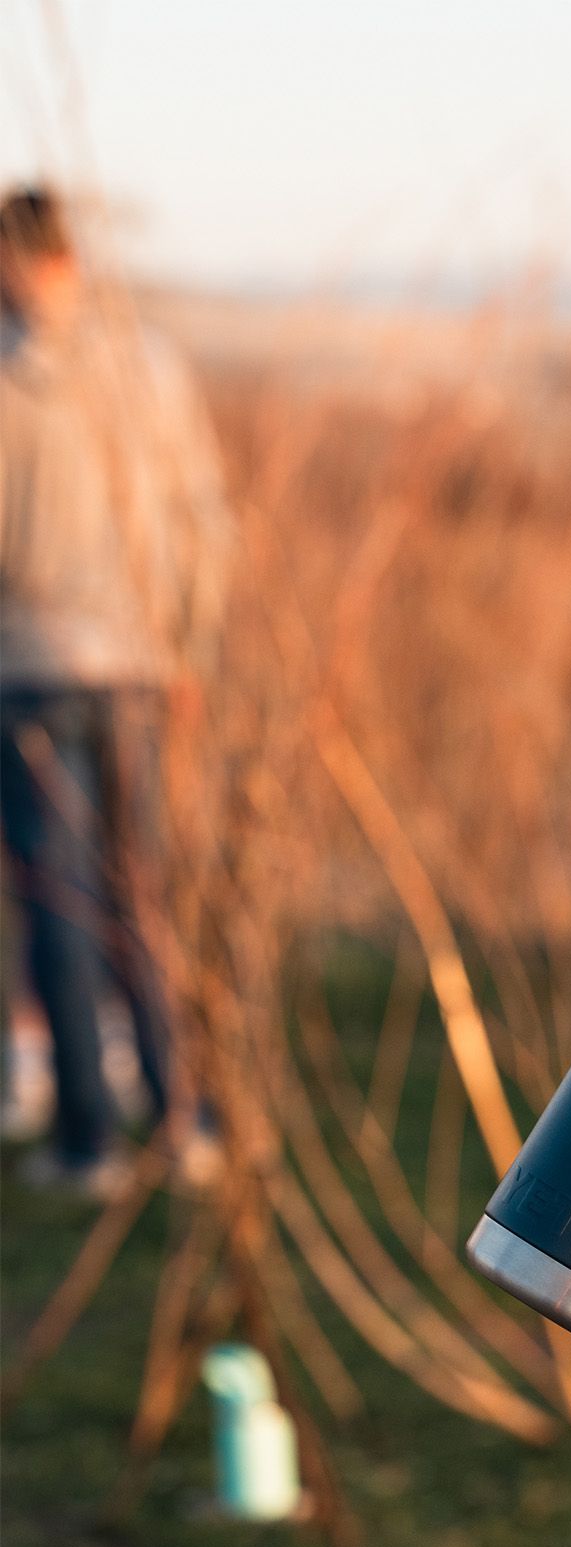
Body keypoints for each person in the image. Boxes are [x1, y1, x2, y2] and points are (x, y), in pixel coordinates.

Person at [0, 184, 229, 1196]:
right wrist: (189, 645)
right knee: (142, 892)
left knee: (57, 896)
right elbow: (198, 517)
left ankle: (88, 1139)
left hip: (33, 669)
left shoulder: (10, 376)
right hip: (141, 661)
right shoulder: (150, 365)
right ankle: (186, 1119)